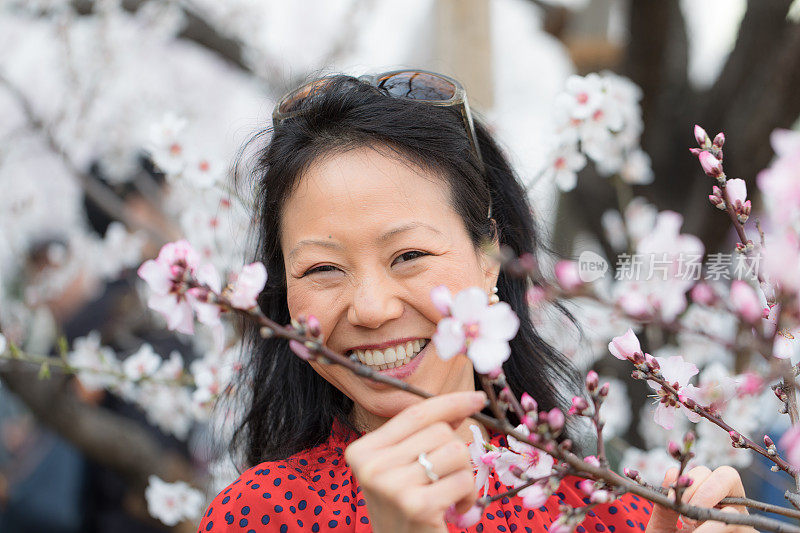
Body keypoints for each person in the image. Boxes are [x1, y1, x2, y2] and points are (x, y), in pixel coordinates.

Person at [196, 71, 752, 532]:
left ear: (491, 254)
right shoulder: (257, 515)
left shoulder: (608, 515)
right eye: (321, 269)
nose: (370, 308)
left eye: (409, 255)